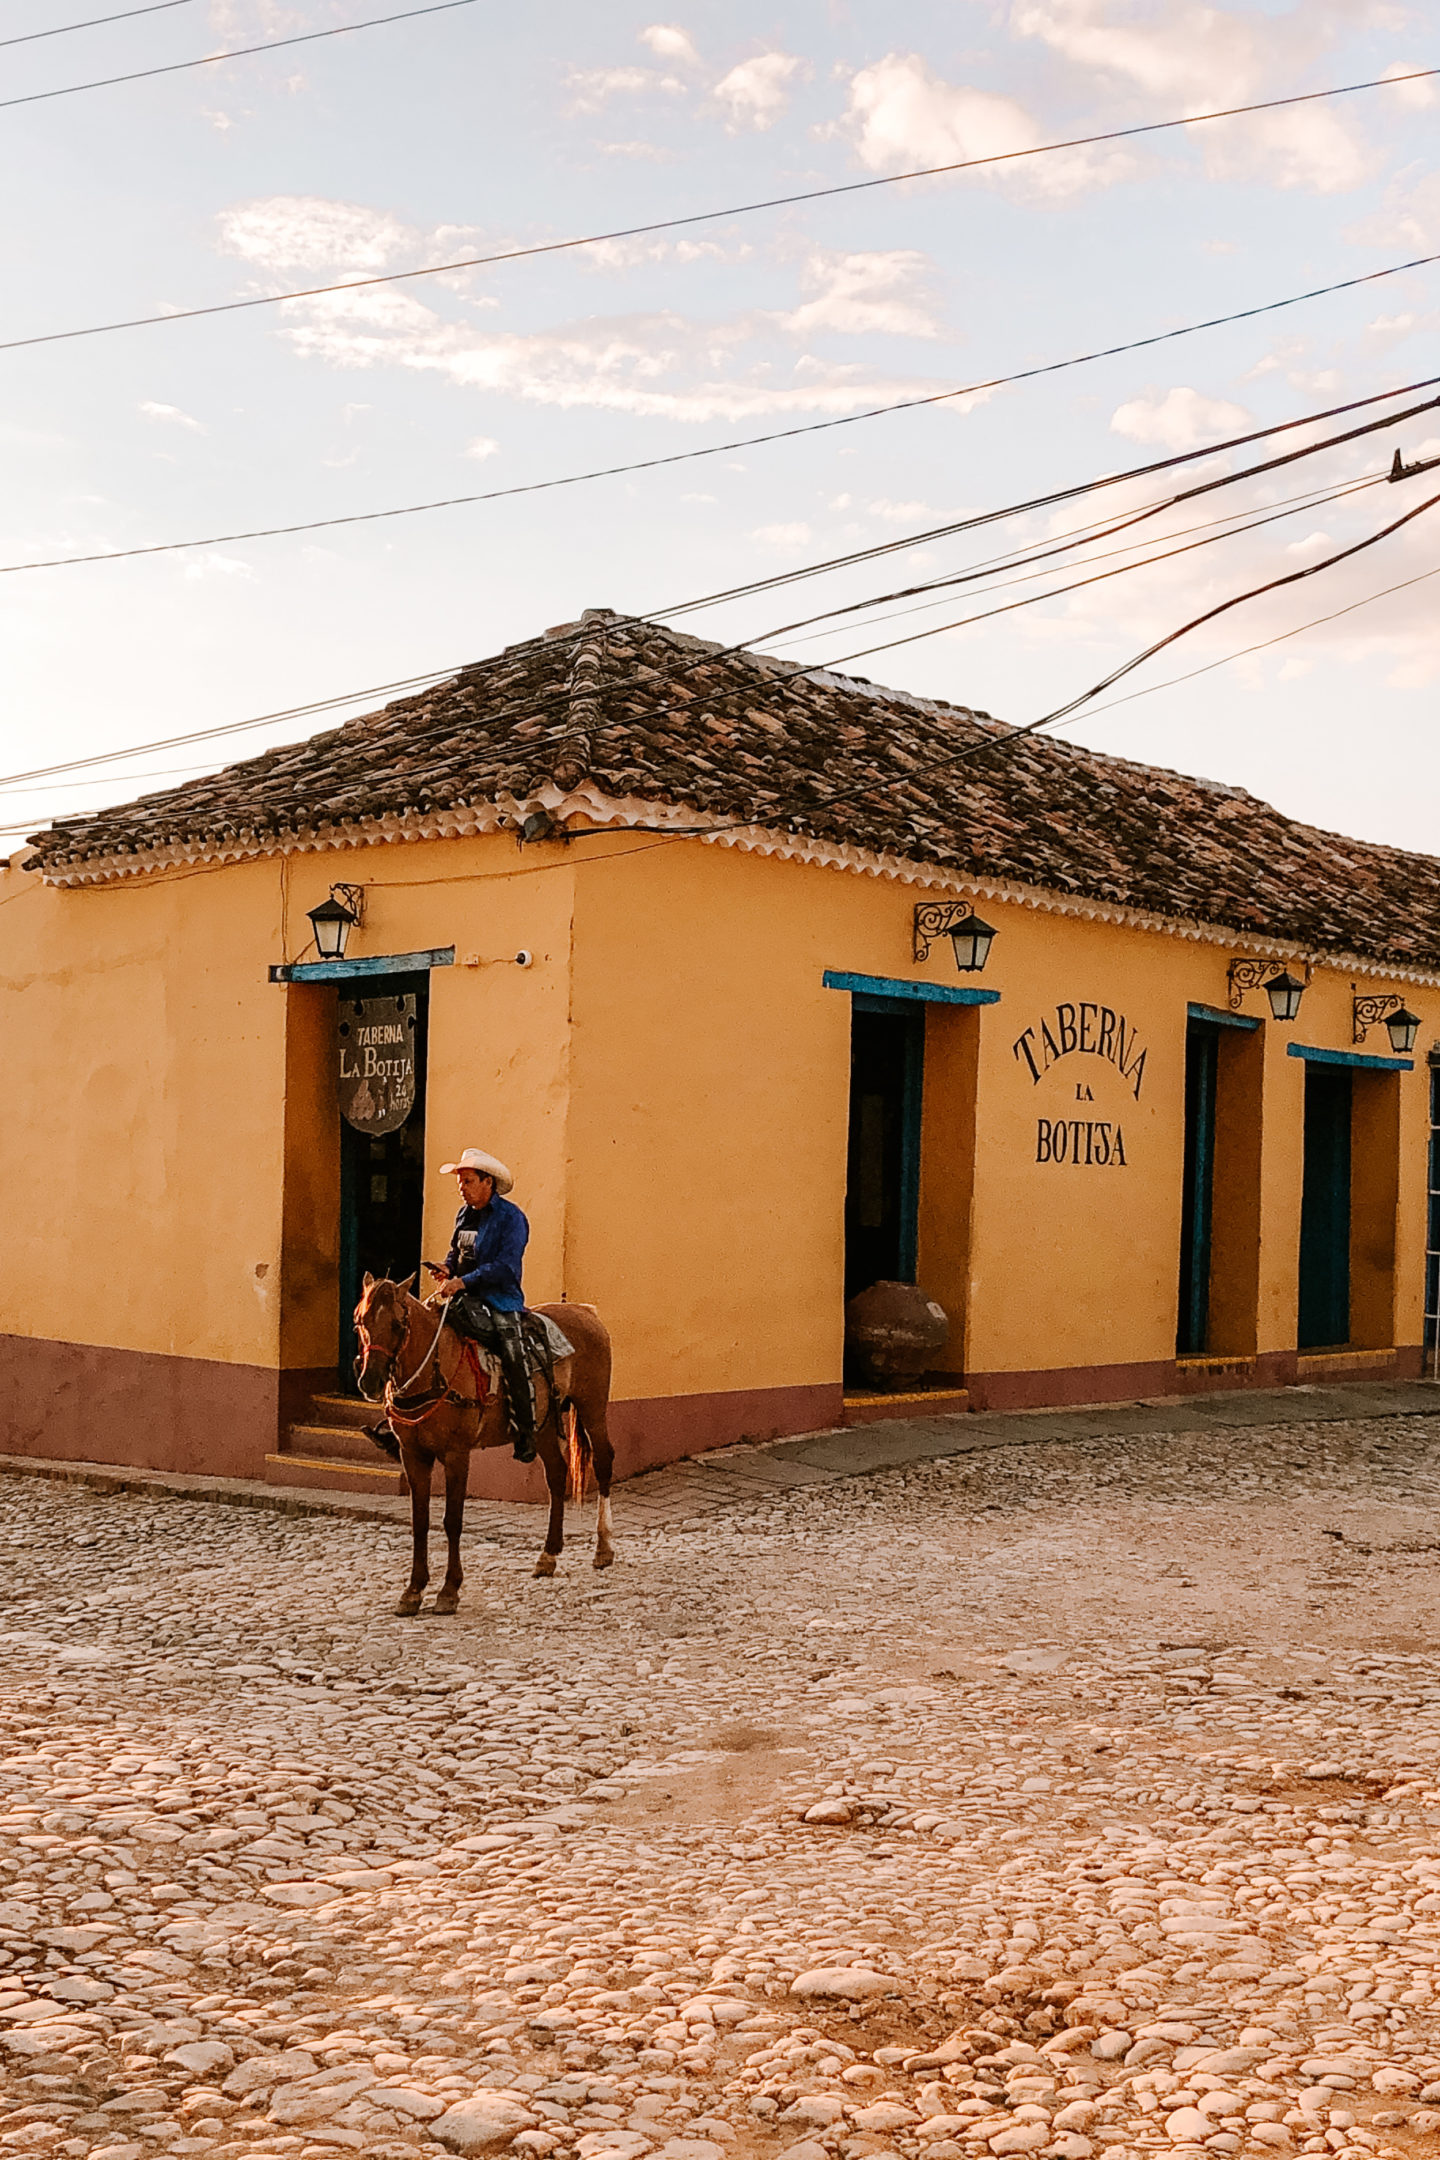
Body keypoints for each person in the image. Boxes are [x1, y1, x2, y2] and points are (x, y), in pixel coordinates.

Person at [429, 1148, 536, 1463]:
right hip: (465, 1298)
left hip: (500, 1298)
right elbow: (457, 1251)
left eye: (468, 1181)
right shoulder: (464, 1214)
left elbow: (506, 1266)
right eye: (460, 1182)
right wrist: (447, 1269)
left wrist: (463, 1281)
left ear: (488, 1182)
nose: (462, 1188)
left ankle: (526, 1430)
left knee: (514, 1354)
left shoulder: (512, 1218)